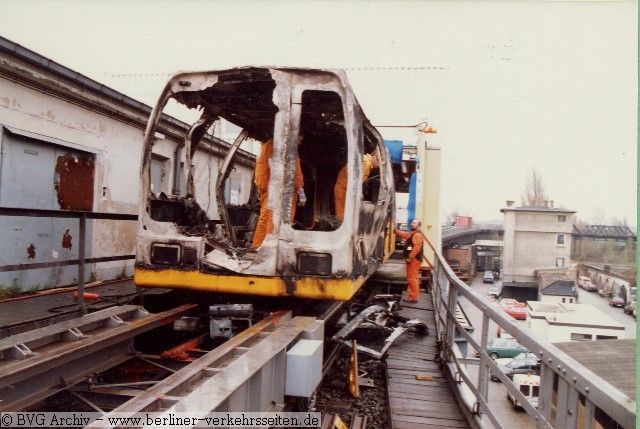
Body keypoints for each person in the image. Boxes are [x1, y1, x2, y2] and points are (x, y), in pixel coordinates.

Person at [252, 135, 305, 249]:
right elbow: (294, 174)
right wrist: (301, 191)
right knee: (273, 220)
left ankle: (258, 246)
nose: (300, 142)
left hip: (270, 189)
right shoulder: (281, 150)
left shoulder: (267, 147)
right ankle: (268, 248)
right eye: (299, 139)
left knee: (266, 218)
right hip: (278, 190)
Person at [333, 151, 379, 221]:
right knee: (341, 215)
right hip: (343, 189)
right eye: (379, 163)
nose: (379, 166)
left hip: (346, 190)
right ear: (375, 157)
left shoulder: (367, 163)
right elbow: (356, 182)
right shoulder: (366, 163)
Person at [394, 219, 424, 303]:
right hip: (412, 260)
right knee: (412, 278)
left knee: (412, 278)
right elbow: (404, 235)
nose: (412, 224)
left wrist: (410, 257)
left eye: (414, 223)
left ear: (418, 226)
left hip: (413, 260)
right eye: (412, 222)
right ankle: (413, 296)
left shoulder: (417, 235)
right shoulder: (412, 233)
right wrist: (395, 231)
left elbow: (417, 247)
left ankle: (413, 297)